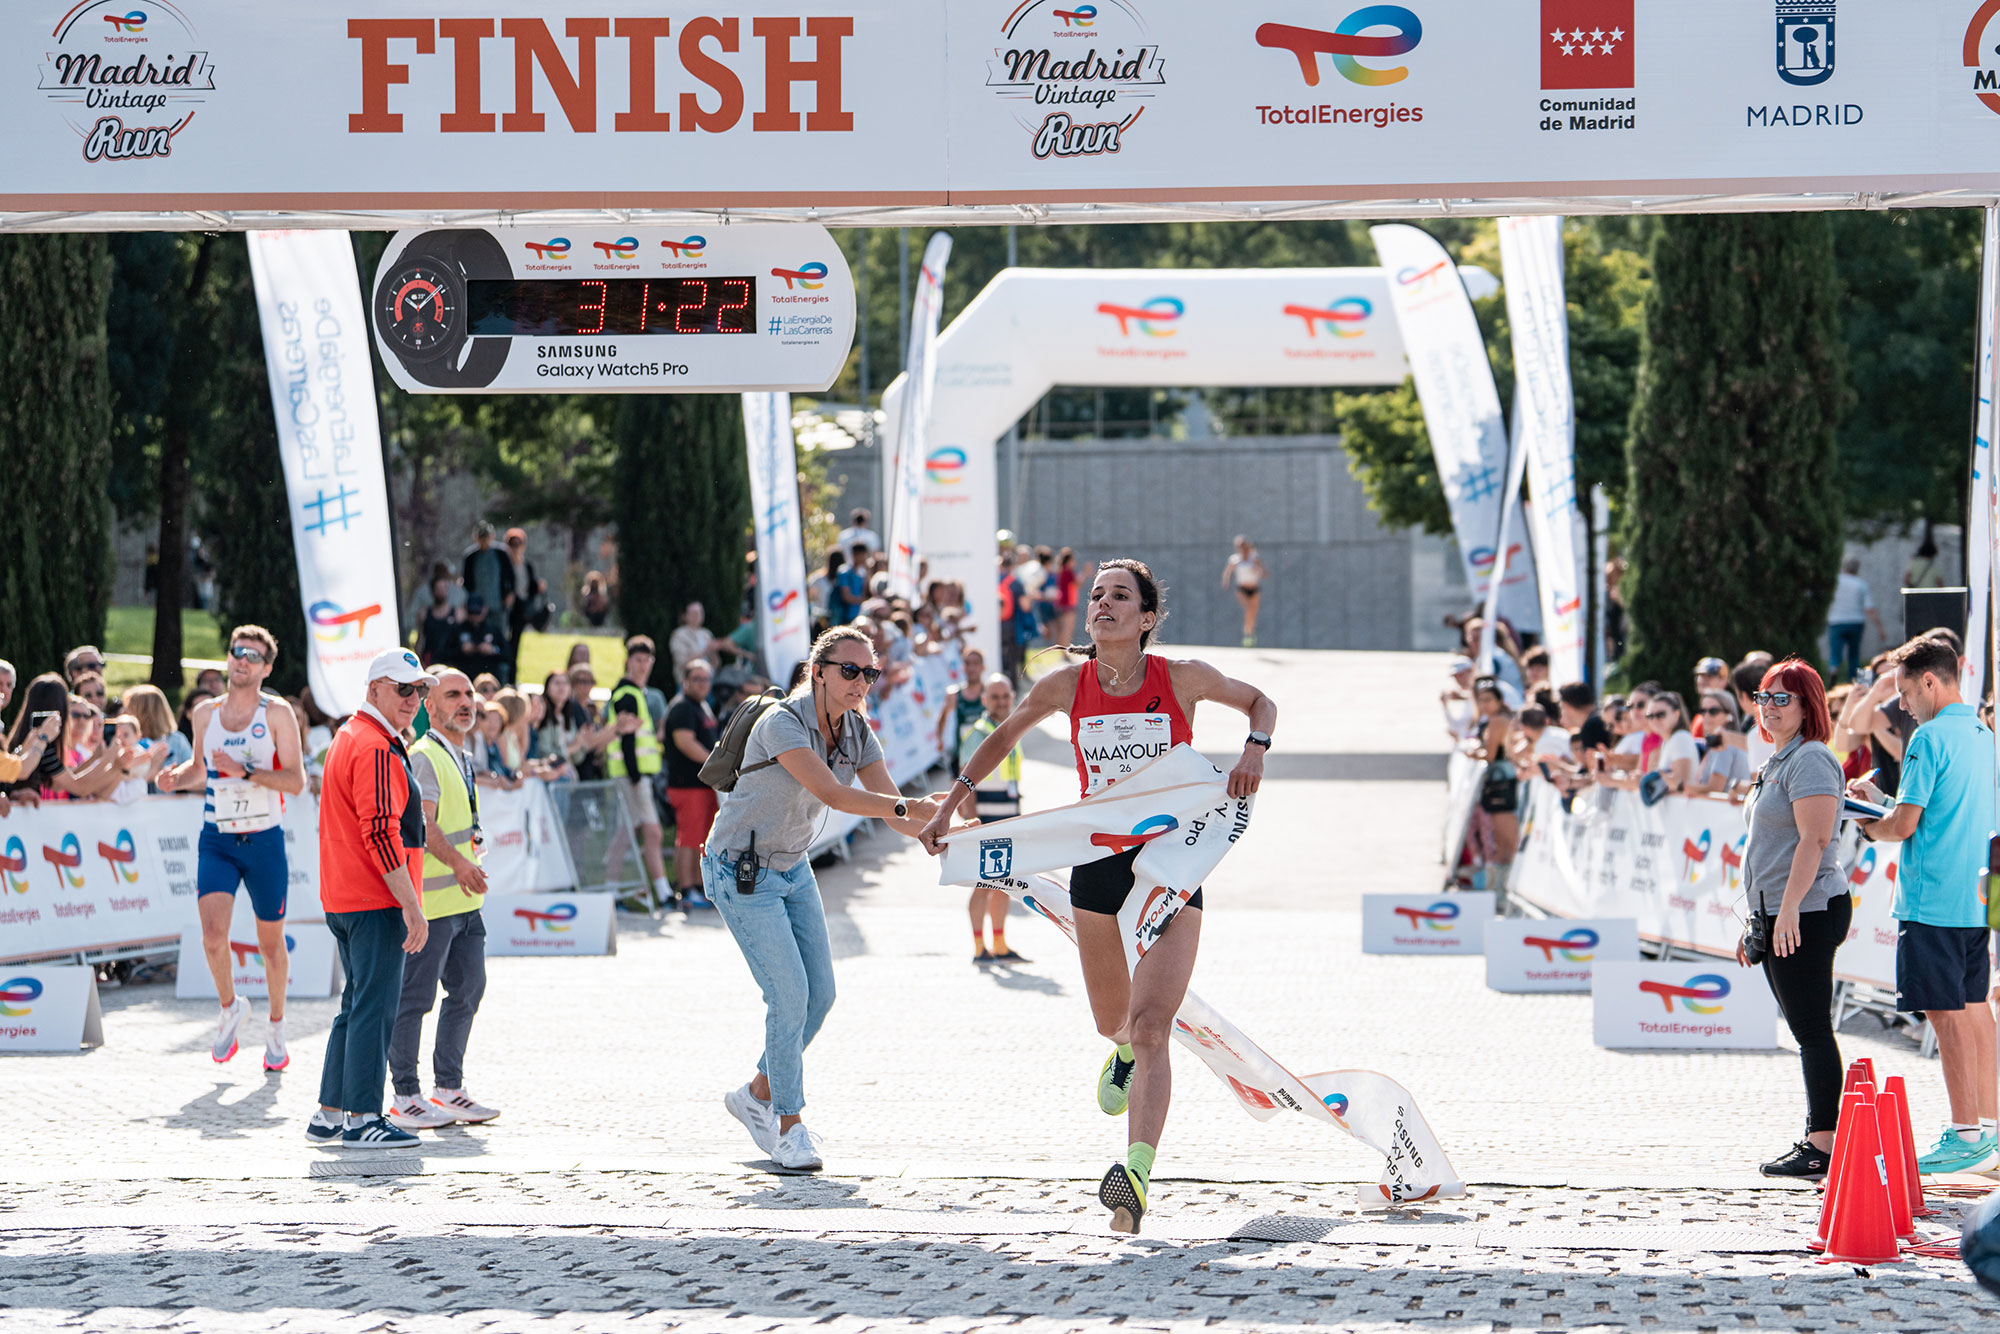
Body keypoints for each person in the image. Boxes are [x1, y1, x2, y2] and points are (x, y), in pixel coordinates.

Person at [921, 559, 1273, 1234]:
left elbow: (1262, 702)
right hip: (1099, 866)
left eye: (1120, 596)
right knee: (1115, 1025)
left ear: (1146, 619)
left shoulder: (1183, 678)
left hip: (1173, 864)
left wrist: (1254, 748)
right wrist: (952, 807)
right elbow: (1002, 737)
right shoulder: (1064, 684)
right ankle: (1121, 1051)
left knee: (1154, 1025)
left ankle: (1134, 1177)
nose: (1103, 604)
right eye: (1097, 595)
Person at [706, 626, 940, 1172]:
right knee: (788, 997)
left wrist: (940, 828)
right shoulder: (782, 722)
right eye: (850, 671)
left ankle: (754, 1094)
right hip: (740, 871)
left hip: (792, 866)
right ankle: (789, 1127)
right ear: (819, 671)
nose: (862, 682)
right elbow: (834, 794)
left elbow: (889, 803)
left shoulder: (857, 730)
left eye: (870, 673)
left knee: (820, 997)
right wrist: (914, 811)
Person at [1848, 635, 2000, 1175]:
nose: (1902, 704)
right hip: (1974, 896)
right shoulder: (1984, 735)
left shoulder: (1929, 738)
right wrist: (1886, 809)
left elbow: (1905, 825)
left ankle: (1966, 1134)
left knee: (1946, 1014)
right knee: (1971, 1008)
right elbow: (1943, 811)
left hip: (1933, 896)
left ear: (1930, 682)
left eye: (1905, 691)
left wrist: (1865, 822)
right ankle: (1987, 1130)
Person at [157, 626, 307, 1071]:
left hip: (263, 840)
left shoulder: (276, 714)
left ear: (266, 667)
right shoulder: (205, 713)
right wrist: (174, 778)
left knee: (270, 944)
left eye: (253, 656)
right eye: (237, 652)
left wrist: (245, 772)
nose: (242, 660)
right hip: (218, 838)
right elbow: (201, 768)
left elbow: (296, 782)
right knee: (212, 936)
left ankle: (277, 1027)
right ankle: (229, 1007)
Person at [306, 648, 431, 1150]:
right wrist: (410, 904)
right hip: (372, 896)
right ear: (375, 688)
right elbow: (380, 831)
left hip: (349, 895)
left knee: (356, 1004)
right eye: (404, 689)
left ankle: (331, 1113)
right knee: (373, 1007)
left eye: (419, 689)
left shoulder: (354, 734)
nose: (414, 699)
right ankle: (361, 1116)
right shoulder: (375, 744)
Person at [1737, 659, 1849, 1178]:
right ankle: (1819, 1137)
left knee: (1810, 1029)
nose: (1771, 707)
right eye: (1764, 697)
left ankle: (1823, 1144)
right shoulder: (1777, 760)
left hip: (1808, 909)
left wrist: (1785, 915)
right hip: (1781, 910)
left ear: (1809, 706)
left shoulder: (1811, 759)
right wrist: (1757, 921)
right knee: (1806, 1027)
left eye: (1784, 698)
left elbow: (1815, 840)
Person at [387, 668, 501, 1132]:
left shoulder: (459, 754)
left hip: (463, 903)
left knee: (468, 990)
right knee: (415, 999)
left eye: (469, 693)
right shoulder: (424, 756)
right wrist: (458, 864)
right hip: (433, 904)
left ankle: (448, 1088)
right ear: (429, 706)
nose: (466, 701)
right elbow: (423, 825)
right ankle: (406, 1094)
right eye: (453, 694)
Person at [961, 673, 1028, 966]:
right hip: (986, 819)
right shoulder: (979, 732)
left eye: (1006, 696)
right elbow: (964, 779)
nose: (1001, 702)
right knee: (983, 883)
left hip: (1007, 817)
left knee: (1002, 883)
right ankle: (980, 947)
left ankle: (999, 944)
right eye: (995, 697)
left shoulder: (1010, 729)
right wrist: (971, 819)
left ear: (1012, 697)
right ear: (985, 699)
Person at [608, 634, 672, 911]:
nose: (643, 665)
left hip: (636, 775)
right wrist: (635, 777)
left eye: (647, 660)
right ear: (628, 661)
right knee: (653, 832)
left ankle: (611, 891)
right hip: (632, 776)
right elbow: (627, 739)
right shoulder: (627, 694)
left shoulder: (634, 693)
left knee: (626, 833)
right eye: (638, 660)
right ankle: (663, 892)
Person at [664, 660, 723, 909]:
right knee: (689, 838)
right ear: (685, 681)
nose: (702, 684)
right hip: (687, 785)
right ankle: (686, 889)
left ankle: (700, 887)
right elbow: (685, 742)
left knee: (703, 839)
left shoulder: (701, 706)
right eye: (696, 679)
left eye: (706, 679)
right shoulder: (682, 708)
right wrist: (715, 763)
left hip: (702, 785)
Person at [462, 522, 511, 678]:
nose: (484, 541)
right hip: (476, 609)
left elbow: (510, 578)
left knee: (499, 643)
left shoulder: (501, 554)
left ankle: (501, 677)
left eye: (486, 537)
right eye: (481, 538)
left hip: (497, 606)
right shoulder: (471, 557)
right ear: (476, 538)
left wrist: (508, 597)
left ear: (492, 537)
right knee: (476, 642)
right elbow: (467, 583)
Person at [1826, 558, 1885, 683]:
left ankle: (1833, 668)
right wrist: (1880, 629)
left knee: (1835, 652)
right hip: (1855, 622)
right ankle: (1852, 681)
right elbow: (1870, 609)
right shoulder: (1861, 584)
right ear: (1857, 569)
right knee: (1854, 655)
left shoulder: (1836, 581)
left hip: (1836, 621)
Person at [503, 527, 548, 685]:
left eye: (518, 543)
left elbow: (531, 588)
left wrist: (539, 587)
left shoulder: (527, 565)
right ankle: (502, 676)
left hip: (521, 610)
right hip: (506, 609)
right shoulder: (504, 563)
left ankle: (512, 678)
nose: (516, 547)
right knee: (503, 642)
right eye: (512, 543)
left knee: (515, 645)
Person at [934, 647, 989, 778]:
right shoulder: (954, 695)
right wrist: (940, 739)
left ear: (983, 667)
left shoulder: (990, 693)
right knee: (958, 796)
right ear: (963, 667)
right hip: (961, 755)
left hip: (986, 753)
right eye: (967, 663)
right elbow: (942, 717)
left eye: (976, 663)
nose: (971, 668)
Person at [1688, 691, 1752, 797]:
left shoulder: (1726, 745)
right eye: (1703, 711)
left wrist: (1681, 787)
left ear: (1729, 715)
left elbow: (1715, 787)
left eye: (1713, 711)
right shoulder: (1717, 743)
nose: (1706, 716)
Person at [1219, 536, 1268, 648]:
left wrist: (1258, 570)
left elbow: (1264, 573)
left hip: (1254, 587)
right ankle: (1247, 633)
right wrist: (1226, 582)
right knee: (1248, 609)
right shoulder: (1235, 560)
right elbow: (1227, 572)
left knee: (1253, 612)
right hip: (1242, 588)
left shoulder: (1254, 558)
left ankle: (1250, 631)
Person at [418, 575, 463, 668]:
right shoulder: (424, 614)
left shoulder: (458, 614)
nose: (441, 591)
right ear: (433, 590)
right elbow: (420, 640)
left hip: (452, 664)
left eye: (444, 588)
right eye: (438, 588)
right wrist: (419, 661)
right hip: (431, 663)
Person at [457, 596, 504, 681]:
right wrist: (461, 650)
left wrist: (493, 650)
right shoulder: (458, 630)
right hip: (465, 678)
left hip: (489, 679)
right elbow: (444, 654)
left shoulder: (493, 630)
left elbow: (507, 655)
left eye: (477, 612)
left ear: (485, 610)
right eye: (472, 612)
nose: (475, 616)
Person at [670, 602, 718, 682]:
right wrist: (705, 651)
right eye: (695, 613)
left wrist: (714, 653)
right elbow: (681, 662)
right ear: (686, 616)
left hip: (708, 682)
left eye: (700, 612)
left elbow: (715, 664)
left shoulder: (707, 634)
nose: (698, 615)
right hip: (687, 682)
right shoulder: (679, 635)